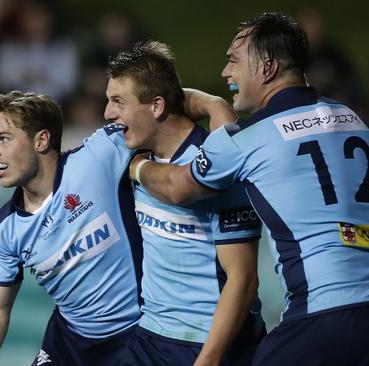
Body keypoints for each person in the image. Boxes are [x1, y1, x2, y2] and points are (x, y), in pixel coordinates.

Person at [129, 13, 369, 365]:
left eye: (233, 61)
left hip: (324, 316)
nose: (225, 73)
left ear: (267, 68)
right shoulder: (354, 121)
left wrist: (138, 166)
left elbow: (178, 186)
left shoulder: (250, 138)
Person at [104, 41, 266, 366]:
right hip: (149, 337)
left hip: (212, 344)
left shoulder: (218, 167)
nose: (108, 113)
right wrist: (212, 103)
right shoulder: (127, 147)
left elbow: (243, 279)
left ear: (156, 107)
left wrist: (208, 360)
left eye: (118, 102)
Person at [0, 91, 143, 366]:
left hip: (140, 332)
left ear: (42, 140)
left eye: (3, 139)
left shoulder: (96, 158)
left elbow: (158, 112)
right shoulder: (3, 230)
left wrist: (211, 105)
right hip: (72, 347)